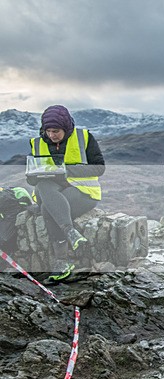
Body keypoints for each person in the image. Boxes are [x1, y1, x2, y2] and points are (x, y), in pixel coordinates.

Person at [27, 105, 105, 281]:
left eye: (56, 131)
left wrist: (67, 171)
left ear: (66, 128)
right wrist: (33, 176)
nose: (52, 135)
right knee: (44, 186)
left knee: (48, 209)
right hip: (52, 192)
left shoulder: (84, 137)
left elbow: (100, 168)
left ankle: (61, 263)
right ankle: (70, 233)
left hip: (83, 192)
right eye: (48, 131)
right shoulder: (37, 143)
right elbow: (33, 180)